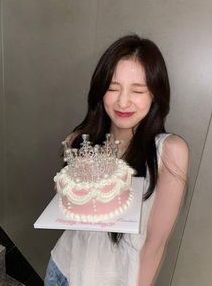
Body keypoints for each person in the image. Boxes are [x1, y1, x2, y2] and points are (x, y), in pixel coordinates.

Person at [44, 34, 189, 286]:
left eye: (138, 90)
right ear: (101, 91)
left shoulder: (169, 151)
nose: (123, 101)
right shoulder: (81, 140)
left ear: (155, 94)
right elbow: (70, 203)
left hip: (114, 279)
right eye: (113, 88)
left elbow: (156, 244)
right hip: (62, 269)